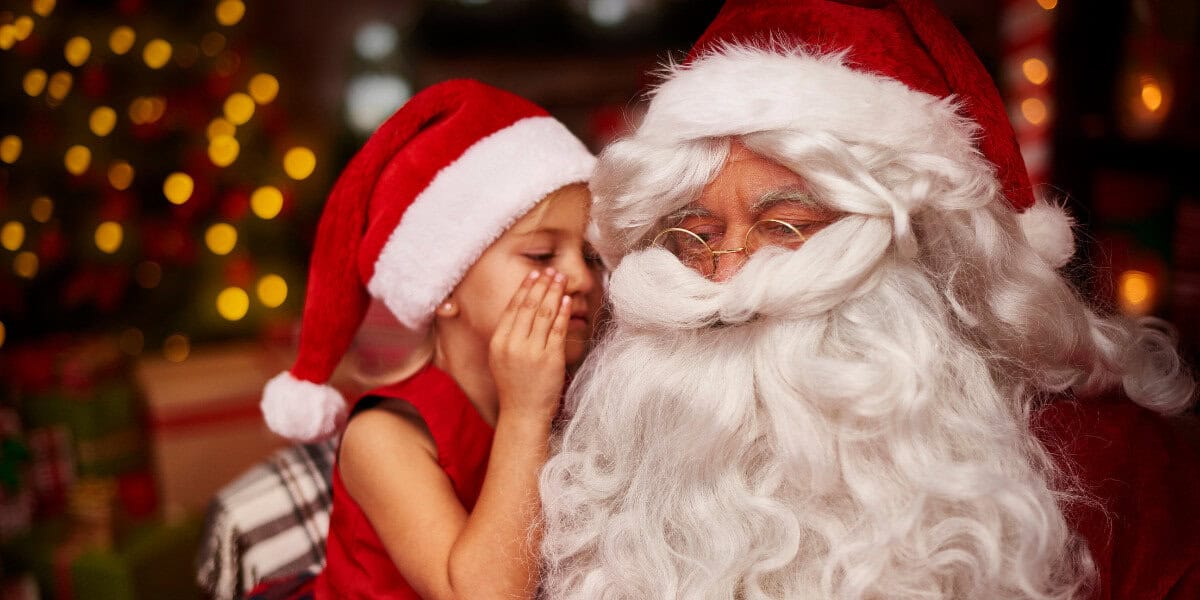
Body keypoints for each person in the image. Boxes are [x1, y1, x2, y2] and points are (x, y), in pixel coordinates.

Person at [538, 1, 1200, 598]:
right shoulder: (604, 476)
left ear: (933, 252)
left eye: (786, 225)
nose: (732, 271)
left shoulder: (1122, 470)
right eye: (696, 236)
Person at [256, 79, 603, 598]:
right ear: (445, 288)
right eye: (541, 256)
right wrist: (525, 414)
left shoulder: (578, 403)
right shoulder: (383, 437)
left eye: (593, 256)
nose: (580, 278)